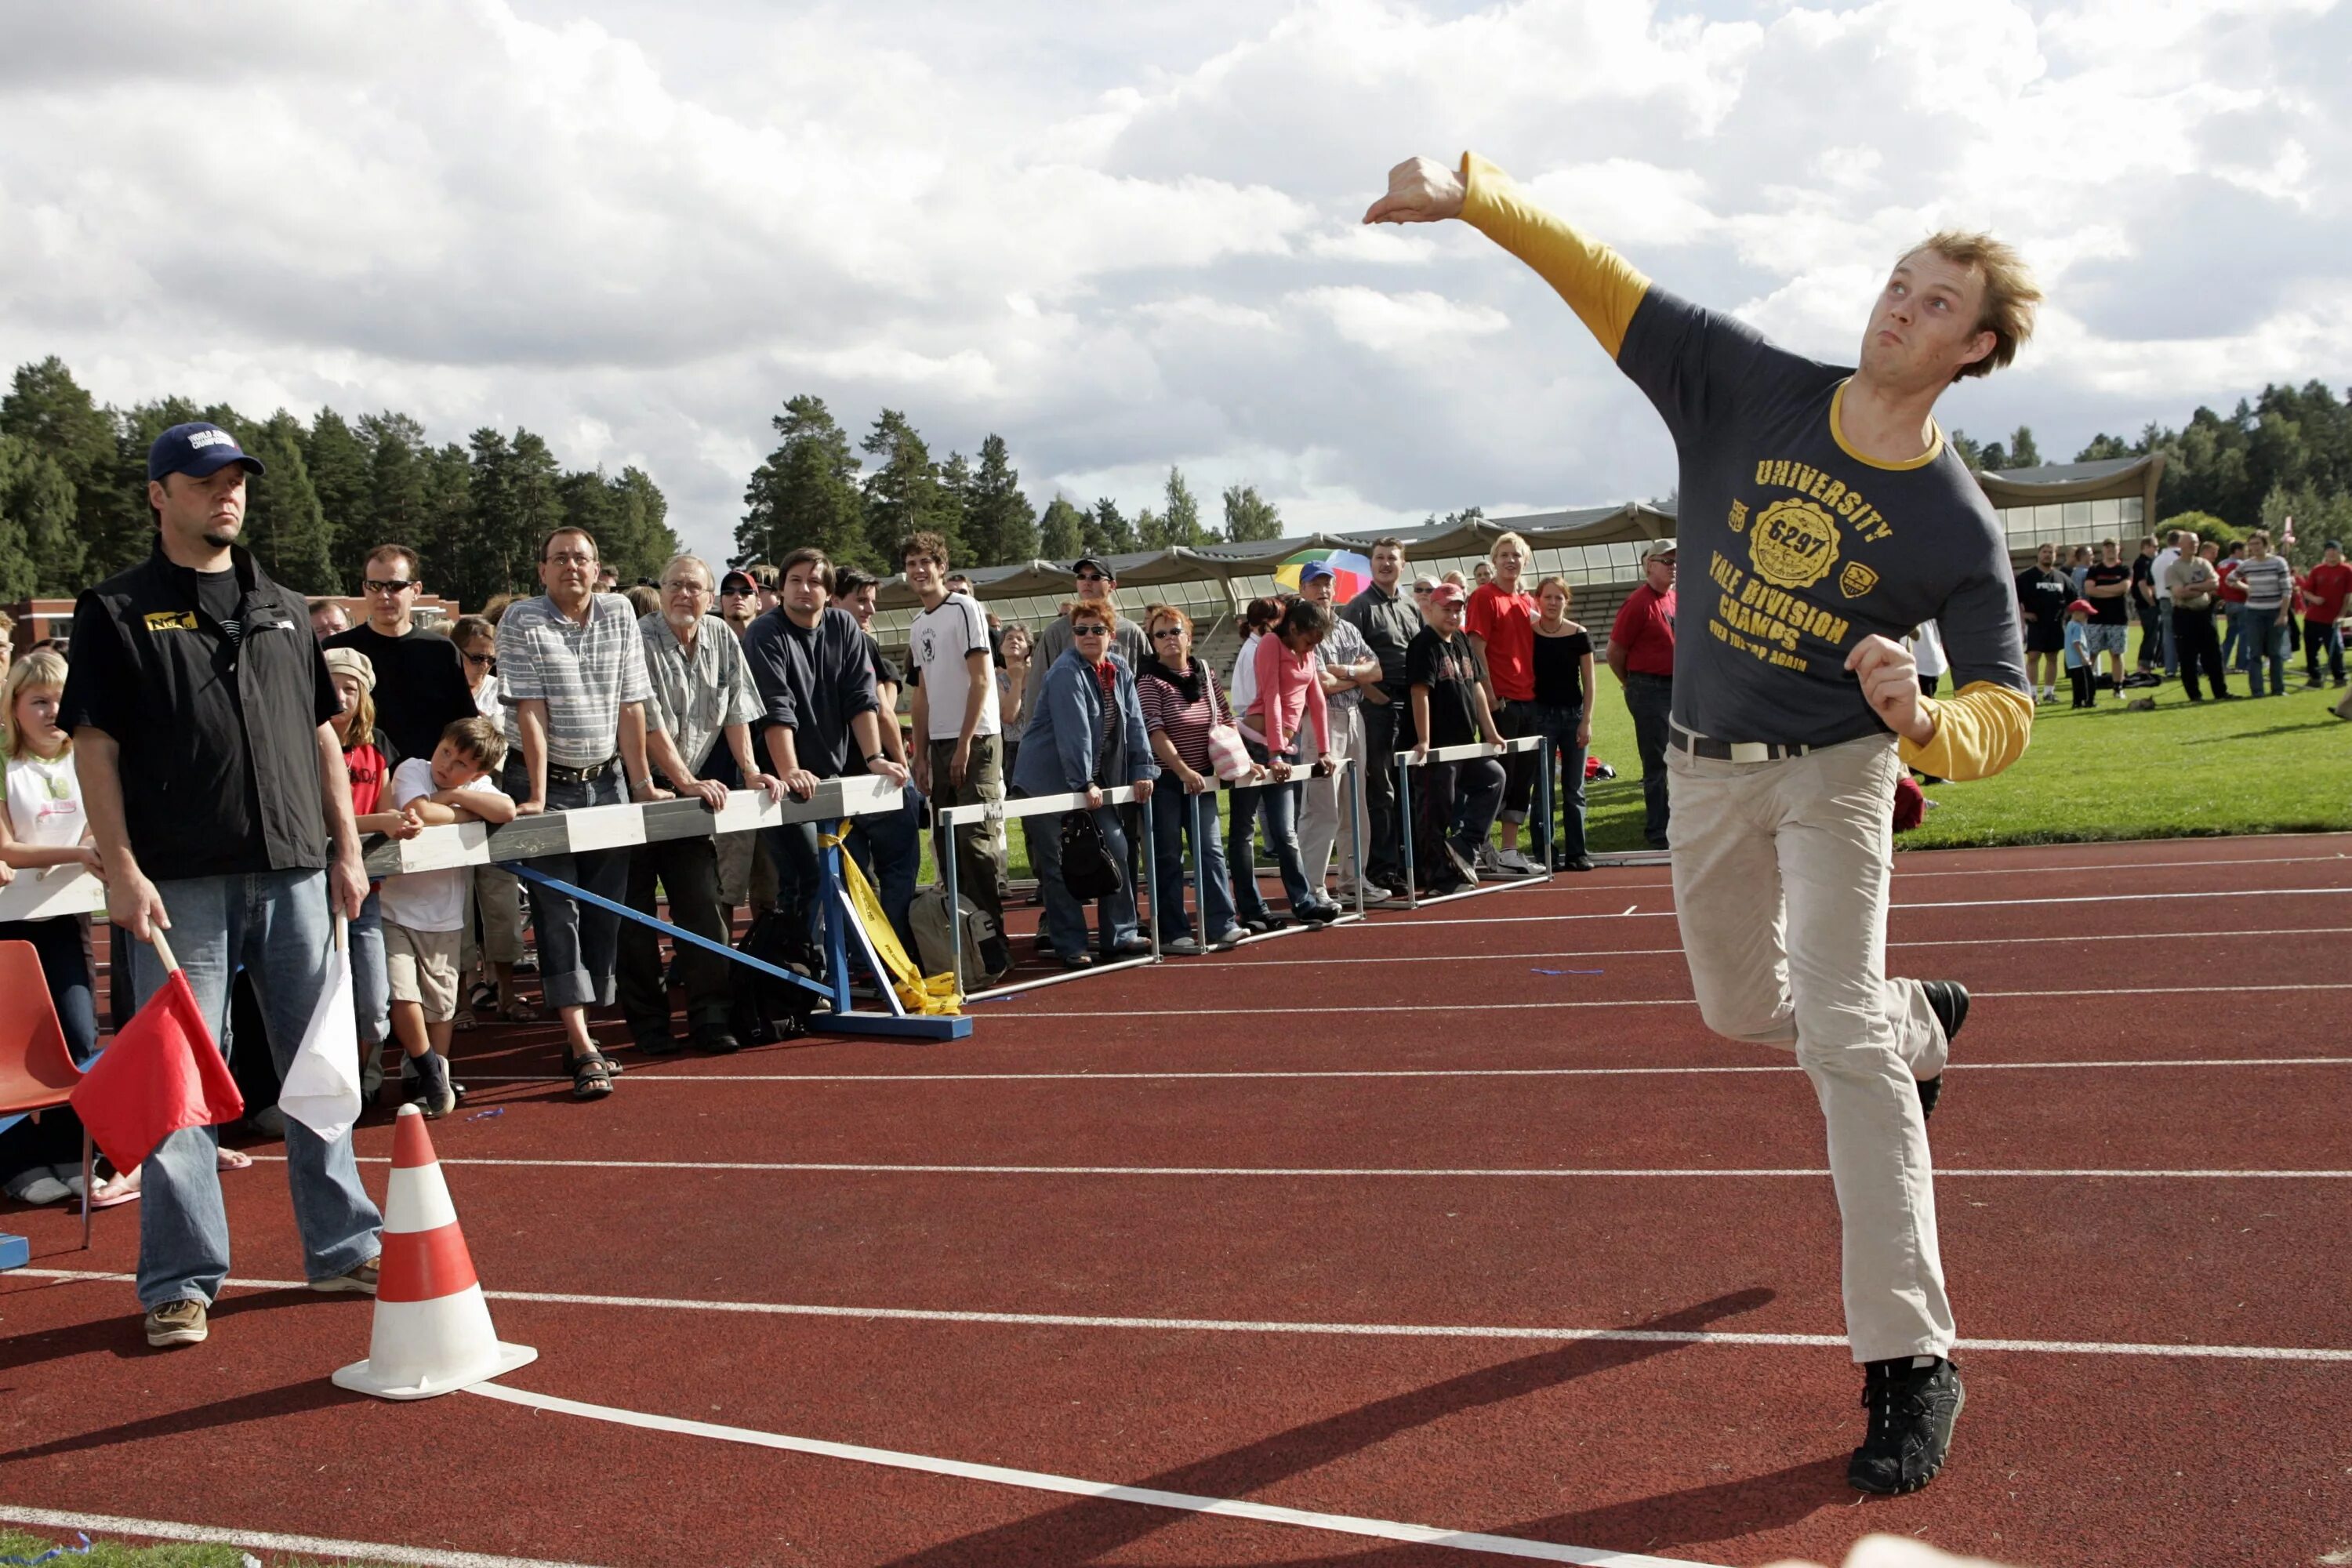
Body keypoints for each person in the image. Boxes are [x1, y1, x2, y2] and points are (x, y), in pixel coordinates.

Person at [1369, 150, 2039, 1491]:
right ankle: (1920, 1024)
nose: (1897, 309)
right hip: (1705, 768)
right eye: (1897, 284)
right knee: (1745, 1011)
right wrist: (1477, 196)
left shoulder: (1953, 521)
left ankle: (1911, 1360)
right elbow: (1602, 280)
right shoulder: (1746, 383)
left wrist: (1924, 723)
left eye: (1932, 303)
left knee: (1833, 1037)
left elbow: (2007, 708)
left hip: (1840, 769)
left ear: (1975, 349)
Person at [61, 420, 383, 1348]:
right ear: (160, 494)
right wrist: (120, 867)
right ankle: (180, 1278)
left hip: (293, 873)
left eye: (237, 479)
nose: (227, 495)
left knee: (320, 1071)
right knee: (176, 1089)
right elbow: (96, 745)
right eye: (206, 480)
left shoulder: (284, 606)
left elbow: (324, 733)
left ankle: (342, 1244)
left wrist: (347, 847)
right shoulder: (114, 610)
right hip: (179, 886)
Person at [495, 524, 664, 1100]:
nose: (571, 566)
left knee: (605, 911)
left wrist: (642, 782)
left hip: (607, 780)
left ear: (598, 569)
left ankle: (586, 1026)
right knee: (558, 908)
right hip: (546, 778)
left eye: (582, 558)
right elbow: (531, 713)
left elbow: (632, 703)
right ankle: (581, 1042)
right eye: (560, 558)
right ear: (542, 570)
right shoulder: (521, 619)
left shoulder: (620, 614)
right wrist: (539, 795)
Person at [619, 554, 777, 1056]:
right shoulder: (636, 637)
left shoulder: (724, 637)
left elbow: (737, 710)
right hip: (631, 792)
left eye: (695, 587)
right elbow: (645, 722)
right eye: (675, 586)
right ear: (660, 590)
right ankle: (650, 1028)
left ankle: (712, 1018)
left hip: (687, 800)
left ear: (711, 598)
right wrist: (686, 780)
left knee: (704, 908)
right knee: (634, 918)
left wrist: (750, 769)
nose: (684, 595)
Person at [740, 548, 908, 970]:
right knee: (804, 876)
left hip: (829, 773)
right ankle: (798, 974)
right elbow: (776, 708)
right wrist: (790, 769)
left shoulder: (844, 625)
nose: (804, 588)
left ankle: (845, 967)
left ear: (829, 592)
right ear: (781, 588)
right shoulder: (764, 633)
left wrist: (873, 757)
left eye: (814, 581)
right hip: (776, 779)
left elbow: (860, 697)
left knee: (848, 871)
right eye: (795, 580)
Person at [0, 649, 102, 1207]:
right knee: (13, 1047)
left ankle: (67, 1147)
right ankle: (16, 1161)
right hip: (11, 926)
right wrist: (79, 852)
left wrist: (88, 850)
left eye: (60, 700)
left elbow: (97, 829)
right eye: (38, 701)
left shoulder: (86, 758)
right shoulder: (4, 763)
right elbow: (8, 848)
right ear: (14, 707)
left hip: (66, 915)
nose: (51, 711)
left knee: (78, 1034)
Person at [379, 719, 514, 1115]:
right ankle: (429, 1071)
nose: (447, 766)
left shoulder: (473, 788)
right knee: (401, 992)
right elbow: (417, 809)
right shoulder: (413, 769)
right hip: (395, 907)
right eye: (446, 752)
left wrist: (455, 796)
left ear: (480, 774)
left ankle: (431, 1072)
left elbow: (505, 809)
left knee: (440, 1004)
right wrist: (467, 814)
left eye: (461, 765)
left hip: (445, 915)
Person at [1009, 603, 1155, 966]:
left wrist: (1143, 769)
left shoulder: (1120, 668)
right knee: (1059, 862)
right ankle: (1070, 943)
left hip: (1089, 780)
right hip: (1046, 781)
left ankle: (1119, 934)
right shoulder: (1065, 672)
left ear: (1112, 635)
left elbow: (1134, 721)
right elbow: (1073, 730)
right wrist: (1083, 782)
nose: (1088, 636)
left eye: (1097, 630)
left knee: (1118, 849)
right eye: (1081, 630)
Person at [904, 532, 1007, 931]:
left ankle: (989, 935)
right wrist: (921, 755)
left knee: (975, 841)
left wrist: (965, 745)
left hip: (977, 738)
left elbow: (981, 680)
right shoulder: (917, 624)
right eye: (911, 564)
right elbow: (922, 695)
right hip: (940, 743)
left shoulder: (965, 608)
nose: (918, 570)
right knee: (946, 846)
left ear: (941, 567)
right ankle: (963, 931)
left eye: (925, 562)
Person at [1135, 606, 1245, 955]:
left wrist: (1244, 760)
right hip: (1167, 781)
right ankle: (1173, 929)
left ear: (1189, 635)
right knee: (1168, 856)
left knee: (1210, 852)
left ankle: (1222, 923)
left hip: (1204, 782)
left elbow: (1225, 717)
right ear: (1152, 642)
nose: (1169, 639)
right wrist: (1182, 770)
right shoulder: (1148, 680)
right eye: (1160, 634)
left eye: (1175, 631)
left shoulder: (1205, 672)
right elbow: (1154, 730)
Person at [323, 648, 406, 1105]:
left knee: (374, 1002)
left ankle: (364, 1070)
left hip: (365, 891)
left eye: (350, 687)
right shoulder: (305, 744)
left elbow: (386, 809)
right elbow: (315, 820)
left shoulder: (378, 748)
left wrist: (399, 822)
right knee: (319, 999)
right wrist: (382, 823)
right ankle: (332, 1084)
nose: (340, 695)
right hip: (311, 891)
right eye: (332, 685)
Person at [831, 567, 925, 952]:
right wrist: (901, 760)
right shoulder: (856, 642)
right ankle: (896, 956)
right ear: (835, 599)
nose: (869, 609)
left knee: (850, 879)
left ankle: (860, 958)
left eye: (872, 601)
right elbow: (882, 710)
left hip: (836, 780)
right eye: (861, 600)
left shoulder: (802, 643)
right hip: (875, 779)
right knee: (897, 872)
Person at [1232, 598, 1342, 926]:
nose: (1313, 647)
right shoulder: (1270, 644)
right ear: (1292, 627)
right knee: (1244, 830)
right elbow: (1272, 697)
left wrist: (1324, 751)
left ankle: (1304, 902)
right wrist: (1275, 753)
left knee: (1285, 831)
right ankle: (1252, 909)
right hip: (1256, 745)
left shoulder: (1306, 652)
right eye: (1310, 640)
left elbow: (1317, 701)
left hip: (1284, 745)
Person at [325, 545, 479, 764]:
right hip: (359, 780)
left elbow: (463, 723)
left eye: (395, 586)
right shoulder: (336, 650)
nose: (383, 595)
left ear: (416, 590)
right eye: (374, 586)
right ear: (364, 589)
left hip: (427, 781)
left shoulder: (440, 651)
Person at [1295, 561, 1388, 904]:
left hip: (1352, 716)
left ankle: (1353, 879)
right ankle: (1312, 886)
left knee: (1355, 803)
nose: (1323, 590)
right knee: (1322, 805)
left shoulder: (1348, 628)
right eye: (1315, 584)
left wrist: (1346, 673)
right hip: (1321, 721)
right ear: (1303, 590)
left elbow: (1376, 670)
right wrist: (1356, 678)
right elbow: (1321, 683)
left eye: (1328, 584)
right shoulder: (1301, 630)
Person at [1406, 581, 1508, 892]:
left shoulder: (1462, 639)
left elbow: (1476, 686)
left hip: (1466, 742)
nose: (1452, 615)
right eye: (1446, 609)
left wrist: (1490, 731)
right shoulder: (1424, 644)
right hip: (1439, 746)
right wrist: (1424, 740)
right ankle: (1438, 878)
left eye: (1457, 610)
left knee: (1494, 778)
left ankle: (1465, 844)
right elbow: (1419, 691)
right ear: (1431, 609)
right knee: (1437, 810)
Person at [1464, 532, 1543, 875]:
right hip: (1503, 702)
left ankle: (1509, 849)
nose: (1511, 560)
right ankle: (1479, 842)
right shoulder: (1483, 597)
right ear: (1494, 561)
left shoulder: (1529, 603)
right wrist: (1490, 696)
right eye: (1505, 555)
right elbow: (1476, 647)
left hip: (1530, 700)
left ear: (1526, 561)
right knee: (1496, 777)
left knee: (1521, 780)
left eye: (1517, 555)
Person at [1606, 539, 1677, 851]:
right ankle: (1659, 829)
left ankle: (1674, 821)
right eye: (1667, 561)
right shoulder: (1639, 603)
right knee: (1658, 762)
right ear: (1650, 565)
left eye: (1675, 561)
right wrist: (1630, 682)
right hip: (1649, 689)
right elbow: (1614, 652)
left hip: (1674, 688)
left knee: (1679, 760)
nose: (1673, 566)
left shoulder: (1672, 598)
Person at [1530, 576, 1595, 872]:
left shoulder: (1579, 634)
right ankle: (1544, 851)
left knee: (1574, 787)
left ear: (1567, 601)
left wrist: (1586, 722)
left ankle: (1577, 852)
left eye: (1559, 598)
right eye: (1548, 597)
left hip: (1573, 717)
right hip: (1541, 716)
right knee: (1542, 789)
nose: (1553, 603)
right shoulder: (1529, 633)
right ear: (1538, 599)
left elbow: (1590, 684)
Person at [2229, 529, 2292, 697]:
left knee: (2275, 653)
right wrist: (2247, 588)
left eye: (2257, 544)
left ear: (2266, 545)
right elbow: (2230, 579)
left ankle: (2278, 689)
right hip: (2254, 612)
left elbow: (2287, 590)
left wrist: (2283, 614)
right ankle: (2257, 690)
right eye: (2251, 545)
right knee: (2255, 653)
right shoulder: (2247, 564)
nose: (2254, 548)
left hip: (2274, 611)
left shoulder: (2279, 563)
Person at [2013, 542, 2071, 704]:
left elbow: (2074, 599)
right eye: (2044, 552)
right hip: (2035, 624)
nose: (2047, 555)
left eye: (2051, 552)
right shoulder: (2027, 577)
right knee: (2033, 656)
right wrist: (2024, 614)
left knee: (2052, 657)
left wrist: (2066, 613)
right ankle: (2031, 694)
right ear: (2039, 554)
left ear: (2055, 556)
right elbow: (2012, 599)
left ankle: (2049, 693)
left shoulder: (2061, 578)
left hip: (2055, 624)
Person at [2080, 539, 2132, 698]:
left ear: (2119, 549)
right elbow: (2089, 590)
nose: (2110, 550)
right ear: (2103, 550)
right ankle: (2087, 689)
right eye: (2107, 547)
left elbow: (2124, 588)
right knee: (2092, 654)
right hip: (2096, 618)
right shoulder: (2094, 570)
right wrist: (2112, 591)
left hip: (2118, 618)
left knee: (2116, 654)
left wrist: (2101, 588)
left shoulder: (2124, 569)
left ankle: (2118, 688)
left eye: (2113, 546)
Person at [2300, 541, 2350, 688]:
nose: (2331, 553)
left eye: (2334, 550)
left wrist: (2341, 615)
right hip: (2313, 617)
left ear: (2340, 553)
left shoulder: (2346, 570)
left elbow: (2348, 596)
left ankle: (2339, 678)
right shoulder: (2318, 570)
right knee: (2311, 650)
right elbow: (2306, 591)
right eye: (2328, 550)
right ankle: (2315, 678)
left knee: (2335, 650)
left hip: (2332, 619)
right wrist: (2315, 599)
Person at [997, 623, 1033, 778]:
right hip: (1014, 750)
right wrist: (1017, 681)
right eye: (1009, 638)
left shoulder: (1039, 675)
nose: (1014, 641)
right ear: (1001, 647)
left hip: (1039, 744)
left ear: (1029, 648)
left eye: (1020, 639)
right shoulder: (998, 682)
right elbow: (1008, 716)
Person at [2151, 529, 2185, 678]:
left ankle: (2170, 667)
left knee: (2168, 634)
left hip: (2163, 598)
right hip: (2179, 598)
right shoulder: (2179, 557)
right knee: (2186, 633)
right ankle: (2188, 665)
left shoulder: (2158, 558)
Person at [2129, 536, 2164, 675]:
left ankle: (2153, 661)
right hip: (2147, 605)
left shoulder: (2150, 562)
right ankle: (2144, 663)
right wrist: (2152, 602)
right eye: (2154, 547)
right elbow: (2142, 584)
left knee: (2155, 634)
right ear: (2145, 547)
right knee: (2151, 634)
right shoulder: (2142, 562)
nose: (2157, 550)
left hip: (2150, 604)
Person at [2061, 600, 2096, 708]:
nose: (2087, 618)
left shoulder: (2069, 625)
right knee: (2088, 683)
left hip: (2072, 661)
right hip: (2080, 661)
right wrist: (2084, 658)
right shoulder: (2077, 627)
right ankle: (2088, 701)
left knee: (2077, 683)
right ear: (2078, 613)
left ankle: (2077, 702)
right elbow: (2077, 643)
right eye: (2086, 615)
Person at [717, 567, 760, 638]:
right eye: (729, 592)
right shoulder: (710, 642)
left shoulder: (772, 639)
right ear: (720, 603)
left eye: (746, 591)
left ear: (758, 603)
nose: (737, 596)